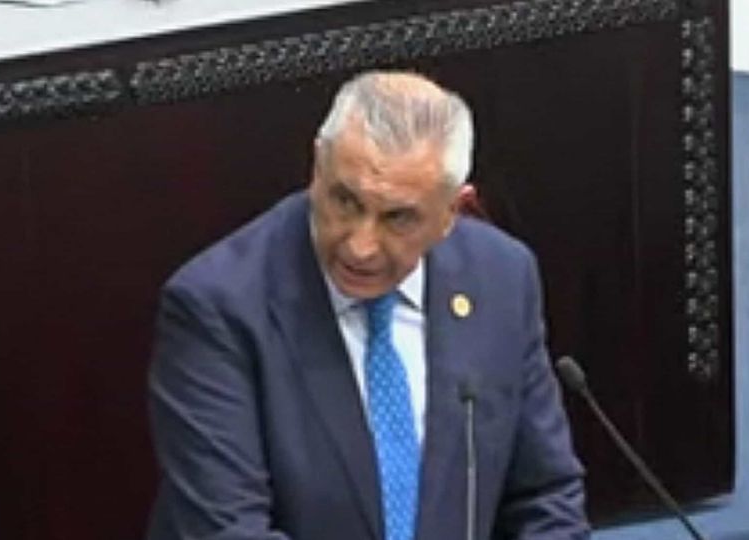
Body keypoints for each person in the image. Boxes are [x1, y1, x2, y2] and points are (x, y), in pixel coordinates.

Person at [146, 70, 589, 540]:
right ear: (317, 167)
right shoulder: (218, 306)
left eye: (398, 218)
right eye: (345, 201)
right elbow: (229, 530)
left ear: (451, 212)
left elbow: (545, 497)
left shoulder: (500, 276)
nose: (360, 246)